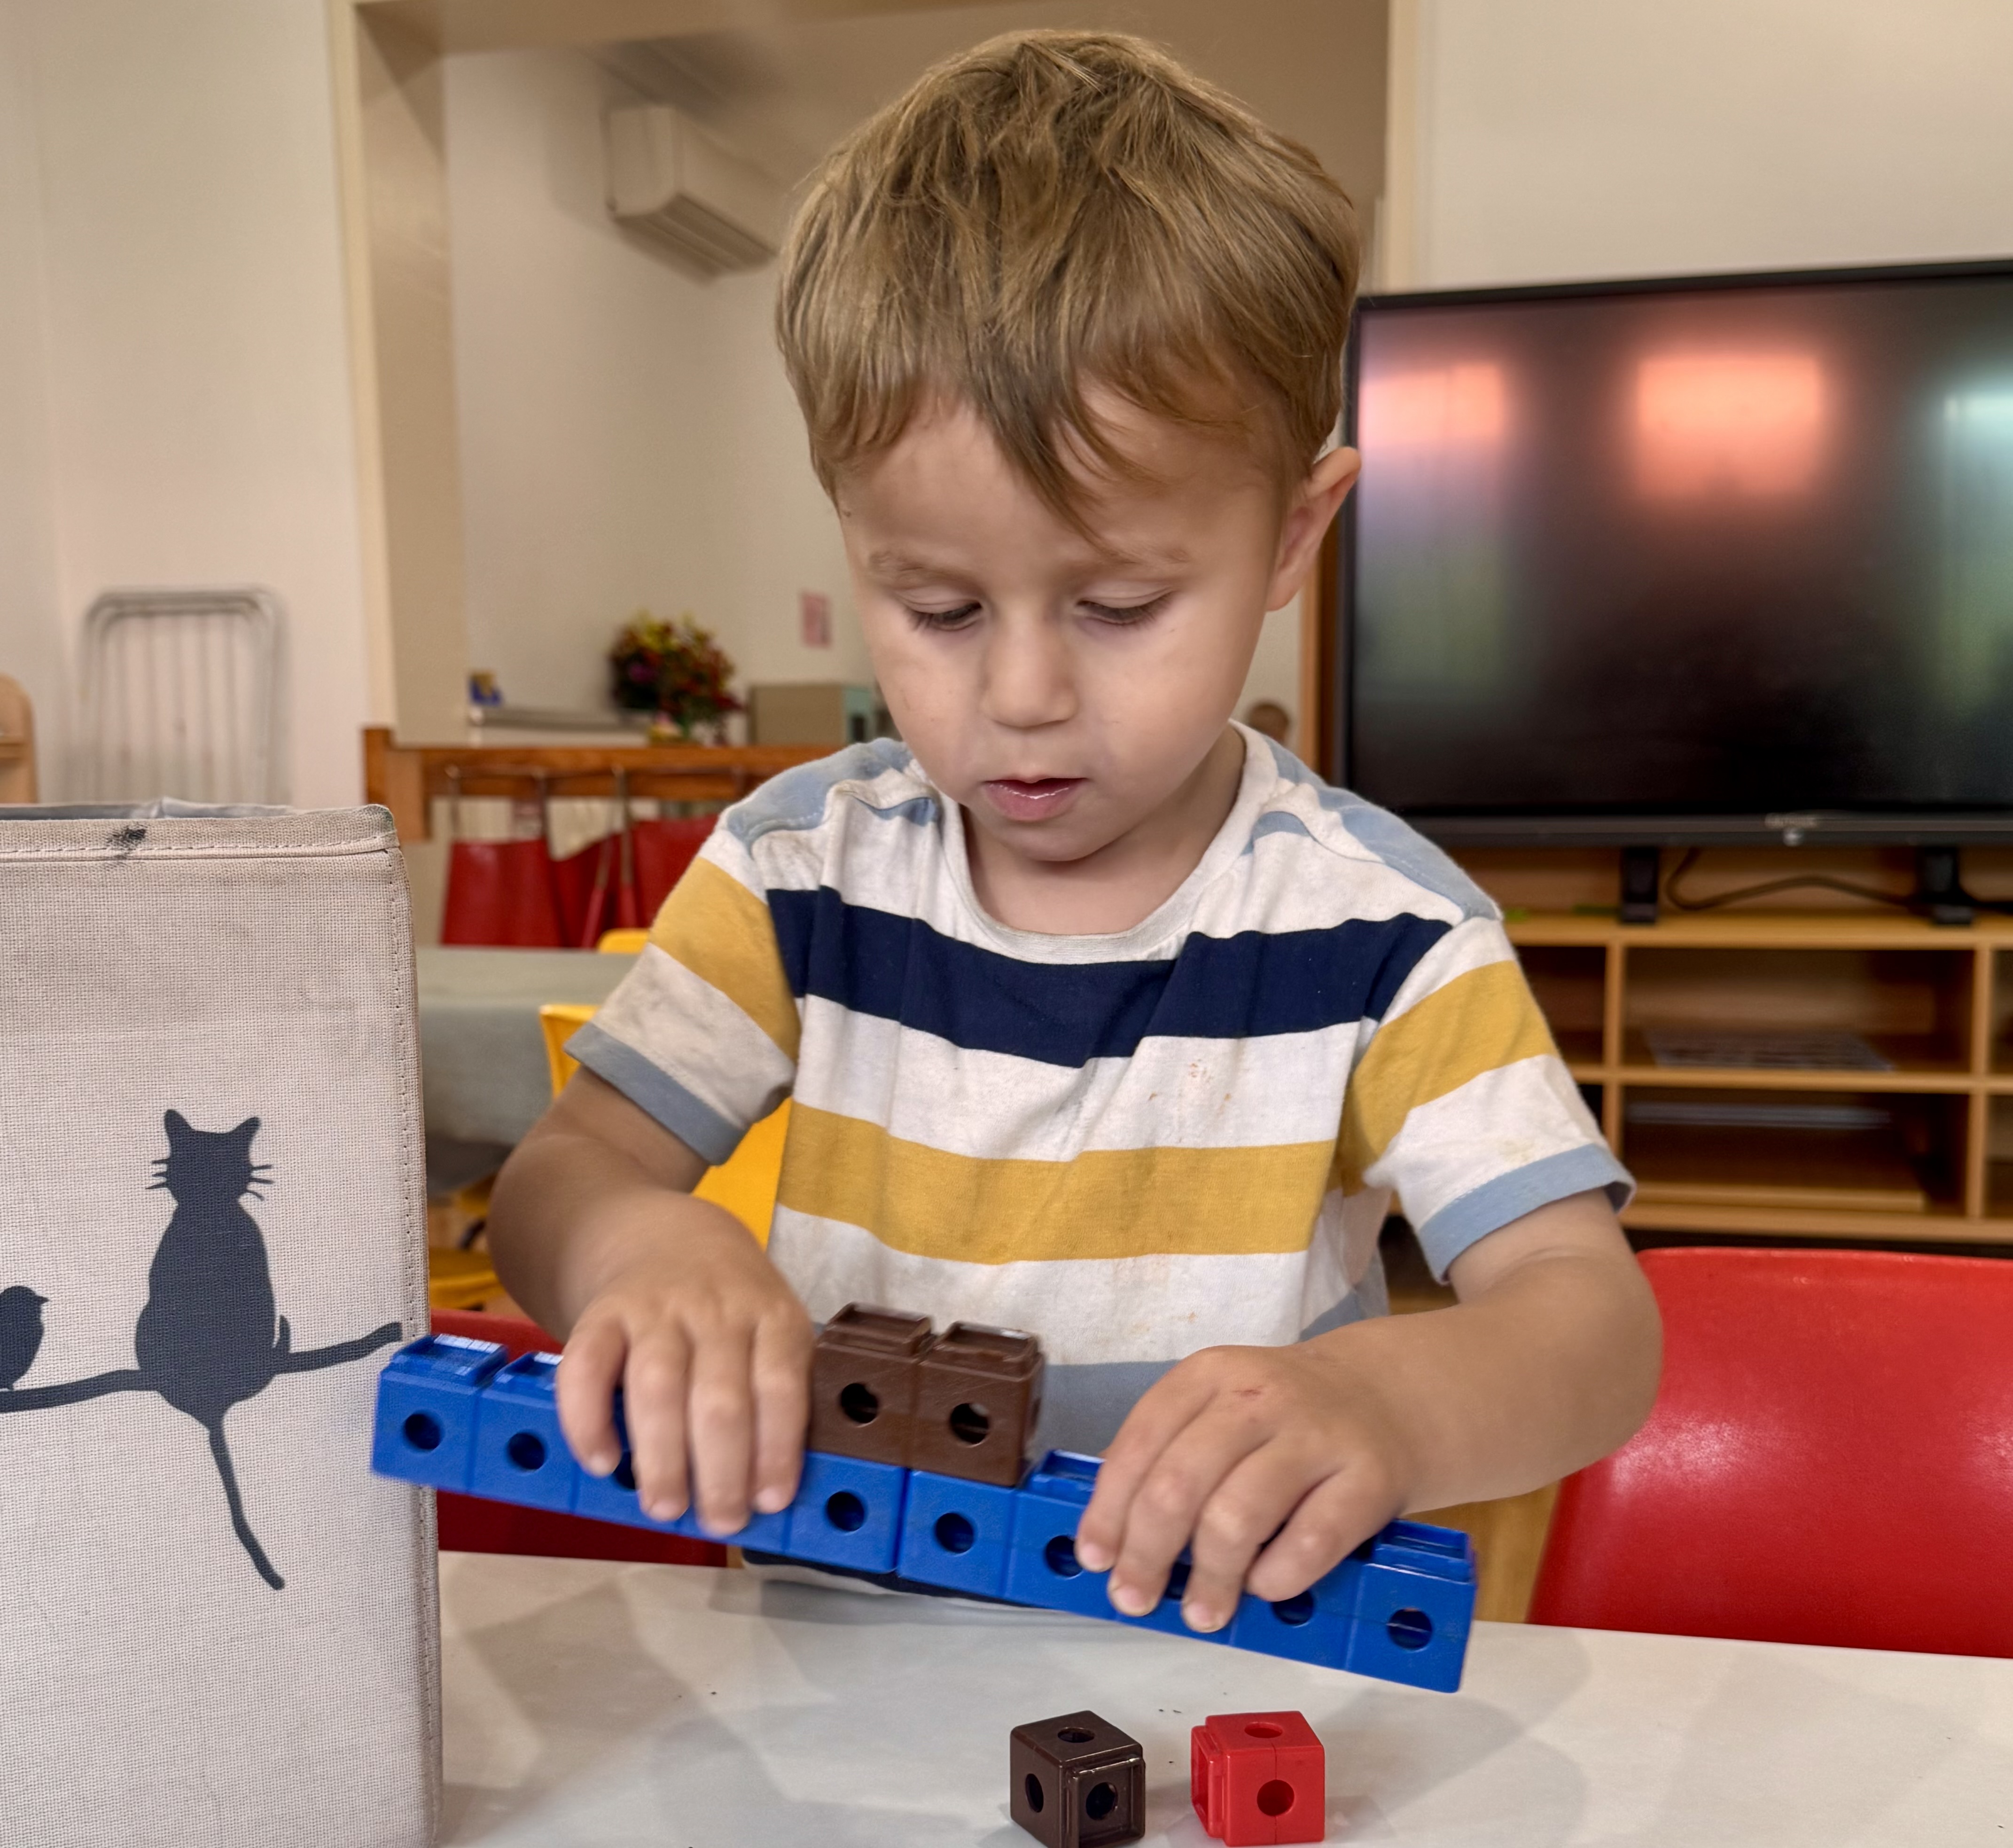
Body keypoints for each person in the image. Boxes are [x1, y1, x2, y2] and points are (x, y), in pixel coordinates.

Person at [488, 29, 1659, 1637]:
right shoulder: (794, 873)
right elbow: (558, 1179)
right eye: (938, 603)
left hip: (1222, 1672)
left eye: (1118, 605)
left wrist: (1395, 1404)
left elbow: (1588, 1320)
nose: (1021, 694)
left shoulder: (1383, 932)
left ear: (1290, 535)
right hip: (826, 1671)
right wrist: (637, 1241)